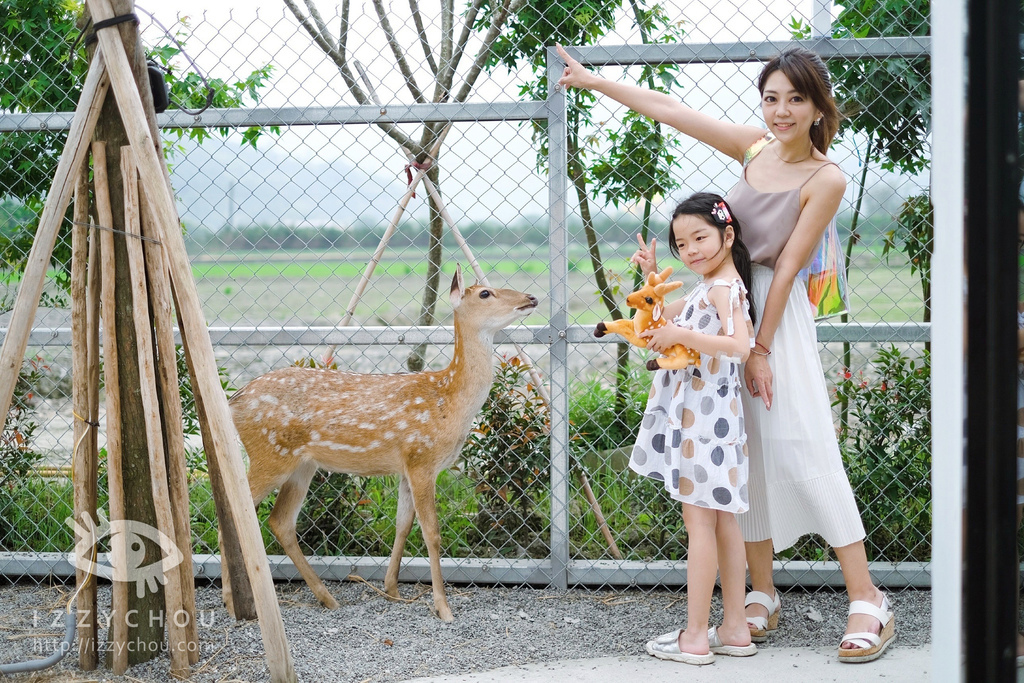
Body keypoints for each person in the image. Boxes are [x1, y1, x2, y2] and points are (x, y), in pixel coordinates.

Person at [557, 44, 895, 662]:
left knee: (802, 440)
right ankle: (760, 592)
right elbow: (669, 108)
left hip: (774, 316)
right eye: (771, 98)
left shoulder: (827, 178)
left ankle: (867, 596)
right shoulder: (755, 147)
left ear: (819, 107)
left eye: (796, 99)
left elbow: (789, 267)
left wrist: (760, 349)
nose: (781, 111)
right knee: (746, 448)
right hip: (726, 303)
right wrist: (591, 81)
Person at [629, 193, 757, 665]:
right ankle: (736, 629)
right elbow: (659, 316)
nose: (692, 250)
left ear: (728, 235)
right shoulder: (711, 285)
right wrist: (651, 273)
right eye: (682, 243)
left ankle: (696, 636)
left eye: (700, 238)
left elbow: (739, 345)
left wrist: (681, 336)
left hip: (703, 422)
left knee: (699, 525)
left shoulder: (724, 288)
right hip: (715, 421)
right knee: (724, 522)